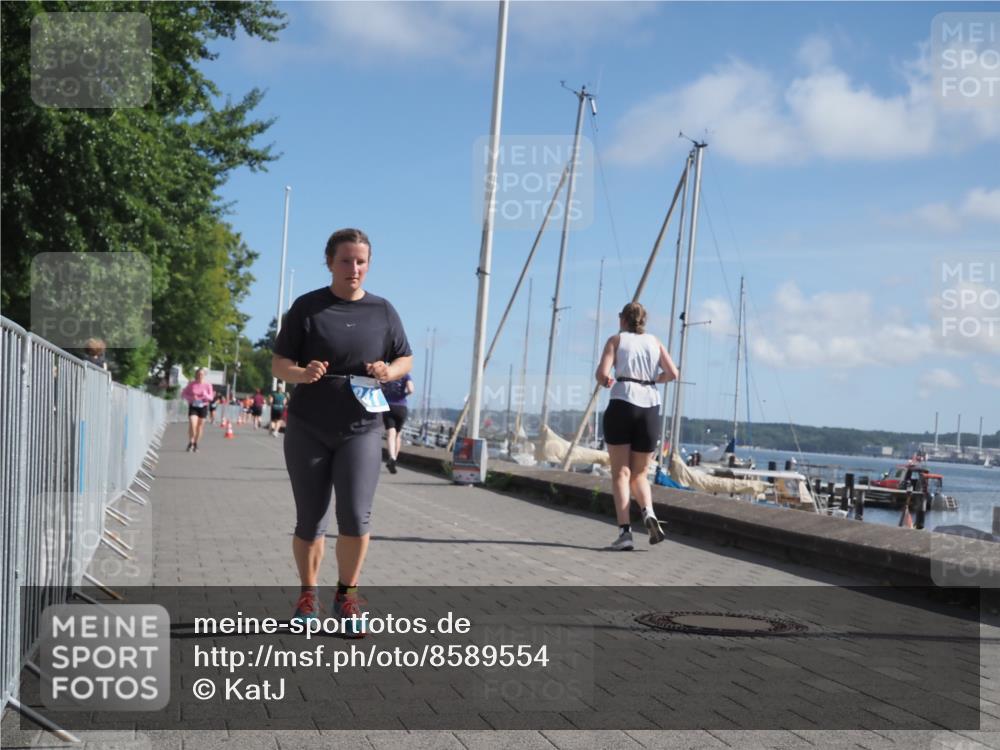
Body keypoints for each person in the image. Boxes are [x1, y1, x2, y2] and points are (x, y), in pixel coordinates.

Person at [271, 228, 412, 635]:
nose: (354, 268)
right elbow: (279, 364)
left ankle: (347, 596)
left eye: (361, 261)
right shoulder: (307, 308)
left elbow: (405, 358)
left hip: (362, 428)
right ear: (330, 262)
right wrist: (302, 372)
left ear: (369, 264)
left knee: (354, 515)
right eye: (346, 260)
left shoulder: (383, 311)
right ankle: (308, 596)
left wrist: (389, 370)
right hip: (308, 426)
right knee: (310, 519)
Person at [596, 302, 679, 551]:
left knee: (621, 473)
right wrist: (654, 378)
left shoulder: (616, 340)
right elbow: (673, 373)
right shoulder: (655, 342)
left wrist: (607, 380)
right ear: (643, 321)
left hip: (622, 402)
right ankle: (648, 512)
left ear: (622, 319)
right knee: (640, 474)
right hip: (650, 407)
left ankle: (625, 533)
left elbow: (601, 374)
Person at [381, 373, 414, 473]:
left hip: (388, 406)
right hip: (401, 407)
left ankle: (392, 457)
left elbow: (379, 387)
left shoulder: (387, 373)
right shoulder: (405, 375)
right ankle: (394, 459)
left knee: (391, 434)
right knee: (398, 435)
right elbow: (411, 389)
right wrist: (404, 395)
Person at [181, 368, 215, 453]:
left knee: (200, 426)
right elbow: (183, 394)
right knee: (193, 424)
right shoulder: (191, 384)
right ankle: (191, 442)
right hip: (193, 406)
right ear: (196, 375)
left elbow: (211, 398)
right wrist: (191, 398)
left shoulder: (208, 385)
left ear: (204, 375)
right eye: (199, 374)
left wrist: (205, 395)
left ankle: (196, 443)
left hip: (203, 406)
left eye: (202, 374)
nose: (200, 376)